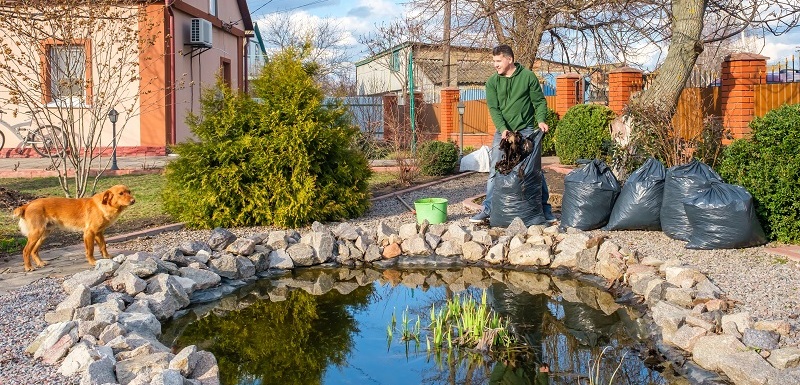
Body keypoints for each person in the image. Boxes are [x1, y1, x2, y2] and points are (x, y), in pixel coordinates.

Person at [470, 44, 555, 224]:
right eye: (494, 61)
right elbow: (494, 108)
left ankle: (545, 210)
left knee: (533, 170)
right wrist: (502, 129)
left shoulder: (527, 77)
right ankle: (488, 209)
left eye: (498, 60)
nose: (495, 64)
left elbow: (539, 102)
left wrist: (540, 120)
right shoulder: (492, 82)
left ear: (509, 59)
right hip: (502, 132)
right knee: (496, 169)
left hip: (525, 130)